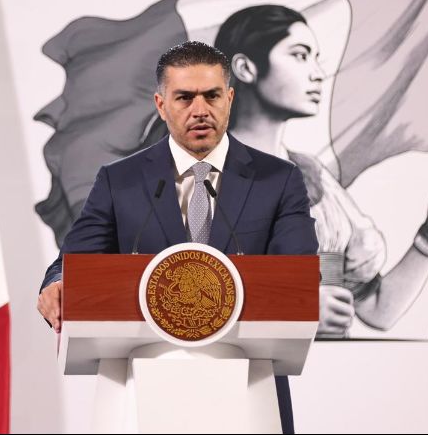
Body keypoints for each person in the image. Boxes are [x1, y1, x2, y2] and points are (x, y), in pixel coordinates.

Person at [37, 41, 319, 434]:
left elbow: (297, 278)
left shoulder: (279, 180)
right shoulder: (121, 181)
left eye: (212, 96)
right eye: (184, 97)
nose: (200, 110)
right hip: (141, 388)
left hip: (251, 392)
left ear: (230, 98)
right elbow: (72, 263)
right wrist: (57, 283)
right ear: (160, 104)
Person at [213, 4, 428, 338]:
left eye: (316, 57)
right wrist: (294, 311)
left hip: (330, 379)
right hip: (245, 380)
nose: (318, 72)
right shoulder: (200, 176)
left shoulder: (312, 174)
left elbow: (377, 309)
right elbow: (176, 304)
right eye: (300, 55)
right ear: (245, 68)